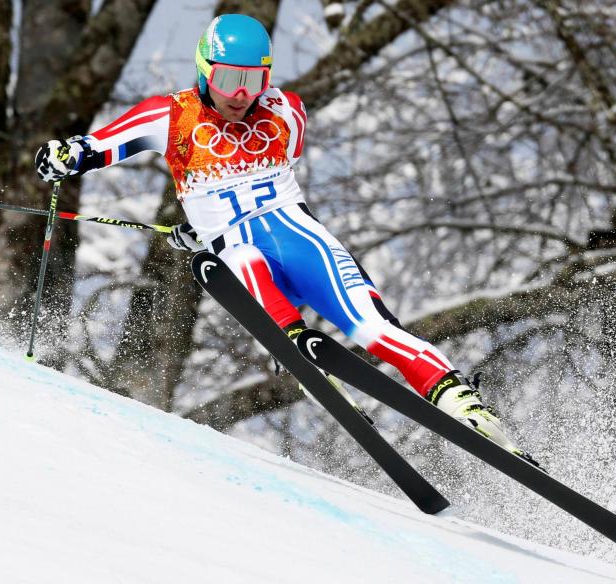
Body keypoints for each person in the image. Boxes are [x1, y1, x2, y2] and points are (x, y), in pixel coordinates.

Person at [35, 14, 538, 466]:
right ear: (205, 69)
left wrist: (202, 221)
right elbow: (101, 146)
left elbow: (268, 179)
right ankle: (296, 347)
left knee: (373, 328)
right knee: (241, 256)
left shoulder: (286, 110)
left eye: (253, 80)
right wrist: (67, 154)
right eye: (229, 78)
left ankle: (464, 405)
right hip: (243, 254)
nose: (239, 93)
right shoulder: (172, 115)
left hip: (301, 239)